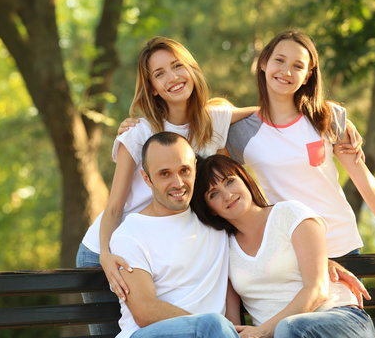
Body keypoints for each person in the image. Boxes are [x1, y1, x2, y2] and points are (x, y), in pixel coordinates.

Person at [77, 36, 258, 334]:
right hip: (112, 245)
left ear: (192, 69)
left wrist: (328, 112)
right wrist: (106, 256)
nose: (172, 77)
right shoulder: (139, 132)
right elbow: (113, 208)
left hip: (168, 244)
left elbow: (269, 113)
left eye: (177, 66)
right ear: (151, 87)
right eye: (159, 73)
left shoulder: (212, 121)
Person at [225, 30, 375, 258]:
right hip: (289, 251)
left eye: (298, 66)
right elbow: (204, 124)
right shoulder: (240, 133)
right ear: (263, 63)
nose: (286, 71)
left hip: (341, 244)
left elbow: (366, 183)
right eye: (279, 60)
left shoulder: (326, 118)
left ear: (308, 75)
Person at [191, 154, 375, 338]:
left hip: (339, 320)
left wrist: (263, 330)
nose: (227, 195)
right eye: (213, 194)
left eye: (230, 181)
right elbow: (232, 322)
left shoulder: (290, 214)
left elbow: (317, 290)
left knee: (289, 328)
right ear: (209, 209)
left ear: (245, 180)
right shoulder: (225, 248)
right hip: (278, 334)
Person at [109, 132, 239, 338]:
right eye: (164, 174)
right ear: (146, 178)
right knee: (212, 324)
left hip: (213, 332)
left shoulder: (215, 219)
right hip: (147, 334)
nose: (178, 183)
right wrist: (209, 328)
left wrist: (231, 329)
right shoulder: (130, 233)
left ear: (195, 168)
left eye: (184, 170)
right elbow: (145, 311)